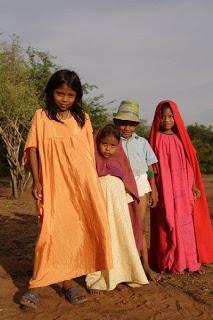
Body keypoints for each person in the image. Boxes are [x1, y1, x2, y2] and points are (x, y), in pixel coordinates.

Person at [20, 69, 112, 309]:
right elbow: (33, 150)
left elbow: (87, 155)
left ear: (77, 96)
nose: (64, 99)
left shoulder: (83, 118)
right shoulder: (41, 116)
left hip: (80, 185)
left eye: (70, 95)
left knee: (72, 232)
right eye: (60, 93)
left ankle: (67, 282)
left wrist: (89, 185)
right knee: (48, 232)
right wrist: (38, 182)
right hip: (52, 183)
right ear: (51, 92)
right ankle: (36, 284)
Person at [149, 100, 213, 273]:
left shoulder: (181, 139)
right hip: (166, 188)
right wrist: (154, 187)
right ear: (157, 119)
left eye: (171, 116)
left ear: (176, 117)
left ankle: (190, 260)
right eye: (163, 117)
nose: (167, 120)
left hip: (183, 188)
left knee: (186, 222)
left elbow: (189, 164)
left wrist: (193, 185)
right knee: (169, 220)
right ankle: (170, 260)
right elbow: (151, 168)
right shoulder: (155, 140)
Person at [86, 124, 148, 291]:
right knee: (103, 234)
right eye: (104, 144)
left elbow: (128, 180)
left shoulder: (121, 159)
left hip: (118, 202)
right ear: (97, 142)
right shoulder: (90, 159)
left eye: (113, 145)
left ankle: (126, 273)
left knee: (121, 233)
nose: (108, 149)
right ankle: (102, 275)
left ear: (118, 146)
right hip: (100, 199)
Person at [113, 100, 159, 281]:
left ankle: (145, 266)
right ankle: (123, 268)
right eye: (123, 123)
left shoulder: (142, 143)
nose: (126, 127)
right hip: (119, 186)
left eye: (131, 124)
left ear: (136, 125)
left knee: (140, 228)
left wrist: (153, 190)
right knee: (121, 227)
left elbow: (150, 169)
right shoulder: (112, 140)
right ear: (116, 123)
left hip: (140, 185)